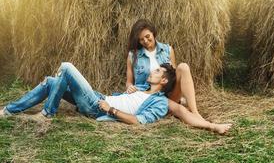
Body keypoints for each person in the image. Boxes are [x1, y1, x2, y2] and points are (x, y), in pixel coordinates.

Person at [125, 19, 232, 134]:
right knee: (179, 109)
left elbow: (174, 77)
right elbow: (129, 81)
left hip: (169, 95)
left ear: (153, 33)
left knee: (183, 67)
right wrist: (129, 86)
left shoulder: (167, 50)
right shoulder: (133, 55)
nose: (145, 41)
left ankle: (194, 111)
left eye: (147, 36)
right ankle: (183, 111)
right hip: (150, 98)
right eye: (141, 39)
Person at [0, 62, 176, 124]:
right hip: (99, 98)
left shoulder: (160, 103)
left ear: (164, 81)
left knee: (67, 67)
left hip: (98, 107)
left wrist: (110, 110)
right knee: (51, 81)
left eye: (158, 71)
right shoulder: (142, 88)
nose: (153, 71)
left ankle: (47, 113)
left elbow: (138, 121)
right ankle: (8, 110)